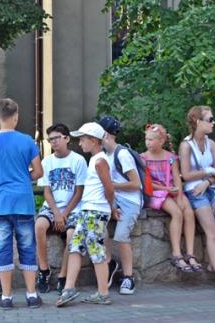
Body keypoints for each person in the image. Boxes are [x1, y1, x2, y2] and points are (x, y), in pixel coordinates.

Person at [0, 98, 43, 309]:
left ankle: (6, 297)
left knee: (3, 249)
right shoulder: (27, 141)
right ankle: (32, 295)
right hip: (23, 202)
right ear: (16, 117)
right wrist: (23, 177)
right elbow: (39, 172)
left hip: (1, 203)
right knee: (27, 248)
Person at [56, 122, 116, 306]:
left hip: (95, 212)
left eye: (82, 140)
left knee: (96, 250)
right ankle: (69, 289)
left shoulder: (99, 161)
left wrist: (111, 208)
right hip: (88, 211)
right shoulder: (95, 159)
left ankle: (103, 293)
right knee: (75, 247)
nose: (80, 143)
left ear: (94, 141)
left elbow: (109, 189)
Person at [179, 105, 215, 291]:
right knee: (213, 233)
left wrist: (207, 181)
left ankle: (212, 265)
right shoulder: (186, 145)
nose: (213, 123)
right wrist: (208, 172)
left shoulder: (211, 144)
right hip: (195, 193)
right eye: (210, 119)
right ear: (197, 121)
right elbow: (186, 175)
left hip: (211, 189)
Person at [35, 123, 87, 294]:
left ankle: (63, 276)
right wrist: (57, 213)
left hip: (73, 208)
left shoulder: (78, 160)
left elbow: (79, 192)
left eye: (57, 138)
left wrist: (64, 214)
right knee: (39, 226)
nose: (53, 142)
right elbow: (47, 191)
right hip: (52, 207)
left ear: (67, 138)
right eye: (50, 139)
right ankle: (44, 270)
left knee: (72, 235)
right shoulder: (47, 161)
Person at [140, 123, 200, 273]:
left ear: (161, 141)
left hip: (171, 190)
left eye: (151, 140)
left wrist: (179, 195)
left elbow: (177, 178)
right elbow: (147, 183)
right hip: (156, 192)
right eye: (146, 139)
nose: (148, 143)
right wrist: (167, 189)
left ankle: (190, 254)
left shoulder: (171, 158)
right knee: (177, 213)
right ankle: (176, 254)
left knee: (188, 212)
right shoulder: (143, 158)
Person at [98, 116, 141, 295]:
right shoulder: (102, 155)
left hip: (129, 202)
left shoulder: (122, 154)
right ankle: (109, 263)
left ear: (105, 134)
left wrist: (111, 185)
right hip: (112, 200)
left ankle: (128, 277)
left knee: (121, 236)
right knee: (98, 226)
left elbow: (136, 184)